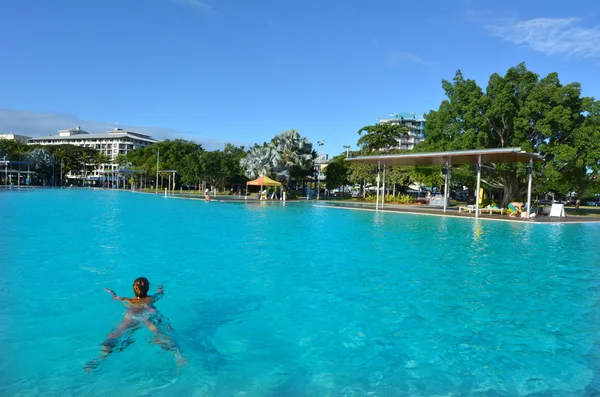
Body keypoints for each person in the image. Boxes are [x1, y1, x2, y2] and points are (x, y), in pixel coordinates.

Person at [84, 277, 185, 372]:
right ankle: (177, 354)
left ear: (133, 290)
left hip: (132, 317)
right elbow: (160, 294)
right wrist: (160, 287)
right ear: (147, 289)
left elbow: (116, 298)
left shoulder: (127, 300)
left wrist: (112, 293)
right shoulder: (150, 299)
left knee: (117, 333)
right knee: (158, 332)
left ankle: (101, 356)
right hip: (147, 317)